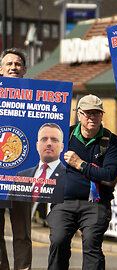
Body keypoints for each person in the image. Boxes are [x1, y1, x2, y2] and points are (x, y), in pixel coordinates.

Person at [47, 94, 117, 270]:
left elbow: (109, 176)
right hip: (63, 202)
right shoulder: (64, 136)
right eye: (87, 113)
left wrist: (80, 164)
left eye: (96, 113)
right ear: (78, 114)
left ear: (102, 115)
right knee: (58, 241)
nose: (92, 117)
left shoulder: (111, 142)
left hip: (96, 204)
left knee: (91, 243)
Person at [0, 48, 32, 270]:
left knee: (22, 232)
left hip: (23, 174)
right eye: (9, 64)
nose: (13, 67)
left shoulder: (37, 95)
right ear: (1, 70)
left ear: (24, 70)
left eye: (17, 64)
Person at [10, 123, 66, 203]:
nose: (49, 143)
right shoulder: (21, 177)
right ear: (37, 145)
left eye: (54, 140)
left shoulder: (69, 177)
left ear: (62, 147)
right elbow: (9, 208)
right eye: (44, 139)